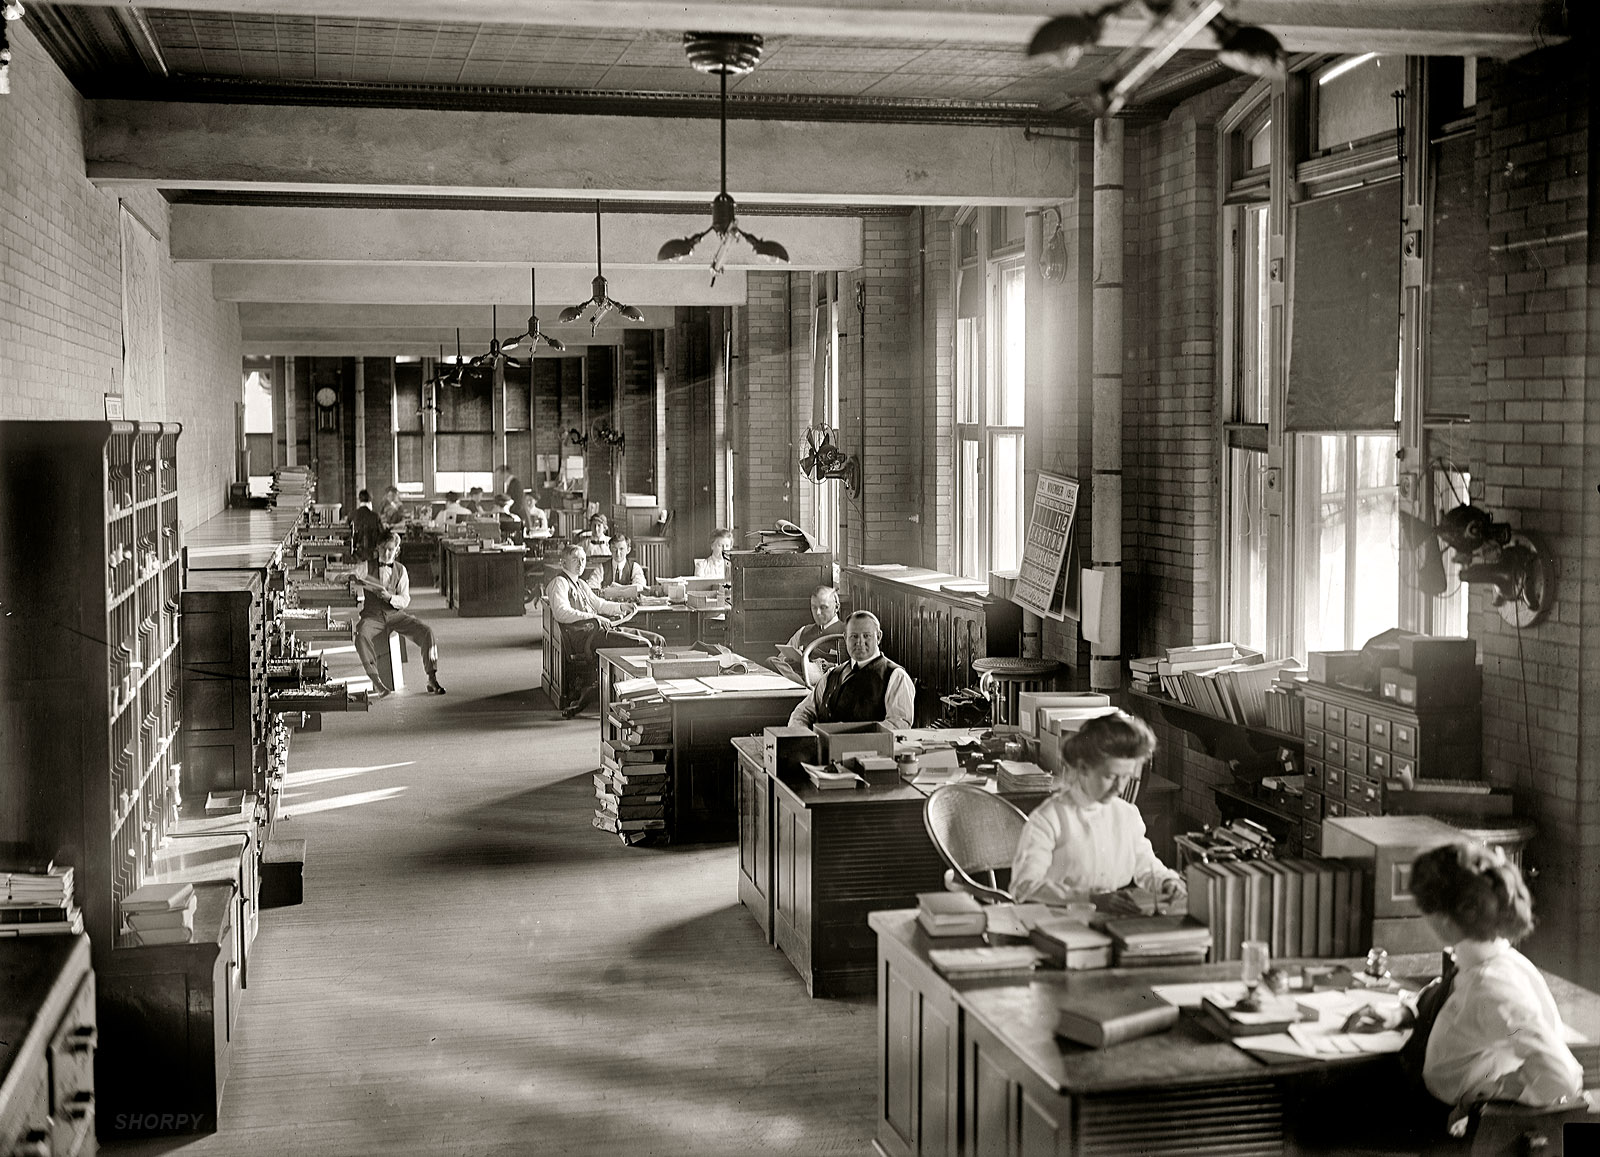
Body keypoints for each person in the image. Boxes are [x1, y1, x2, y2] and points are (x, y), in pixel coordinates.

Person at [1343, 840, 1584, 1139]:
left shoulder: (1494, 987)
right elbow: (1452, 998)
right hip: (1428, 1105)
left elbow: (1562, 1076)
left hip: (1442, 1128)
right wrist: (1402, 1013)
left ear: (1444, 919)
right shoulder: (1481, 960)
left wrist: (1484, 1097)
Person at [1008, 710, 1184, 911]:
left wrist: (1167, 882)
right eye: (1110, 776)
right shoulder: (1049, 819)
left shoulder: (1127, 815)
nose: (1119, 787)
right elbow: (1023, 886)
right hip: (1057, 921)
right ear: (1083, 768)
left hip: (1109, 917)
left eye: (1126, 776)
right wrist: (1088, 898)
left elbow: (1146, 865)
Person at [546, 543, 660, 718]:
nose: (580, 563)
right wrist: (594, 618)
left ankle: (657, 695)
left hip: (597, 632)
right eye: (575, 559)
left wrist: (622, 606)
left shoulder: (581, 583)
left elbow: (600, 604)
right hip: (585, 638)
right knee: (642, 645)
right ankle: (641, 700)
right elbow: (561, 613)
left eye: (583, 559)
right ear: (563, 563)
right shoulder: (559, 583)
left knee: (656, 640)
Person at [350, 533, 445, 698]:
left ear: (397, 551)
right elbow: (345, 576)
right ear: (377, 548)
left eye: (390, 550)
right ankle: (377, 683)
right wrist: (350, 578)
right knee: (360, 636)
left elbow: (405, 599)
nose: (386, 554)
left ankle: (432, 677)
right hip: (372, 617)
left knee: (426, 631)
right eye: (383, 549)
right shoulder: (366, 566)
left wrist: (390, 598)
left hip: (395, 615)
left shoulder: (401, 570)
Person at [787, 610, 914, 730]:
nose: (860, 642)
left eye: (866, 636)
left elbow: (897, 725)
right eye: (853, 636)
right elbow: (802, 712)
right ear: (845, 637)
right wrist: (802, 736)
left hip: (869, 750)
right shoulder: (832, 674)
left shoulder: (895, 676)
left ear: (879, 637)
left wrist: (847, 737)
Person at [787, 585, 842, 650]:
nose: (818, 613)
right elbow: (782, 657)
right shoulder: (803, 632)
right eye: (814, 607)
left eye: (823, 607)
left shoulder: (847, 632)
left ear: (836, 607)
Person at [598, 532, 649, 600]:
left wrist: (618, 588)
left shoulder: (634, 567)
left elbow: (640, 587)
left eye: (621, 549)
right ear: (610, 549)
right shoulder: (602, 568)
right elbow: (592, 586)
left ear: (628, 550)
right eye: (614, 549)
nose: (618, 553)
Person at [349, 488, 384, 563]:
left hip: (355, 555)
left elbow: (345, 535)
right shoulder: (375, 516)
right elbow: (382, 536)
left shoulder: (352, 515)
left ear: (359, 500)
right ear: (370, 501)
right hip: (372, 555)